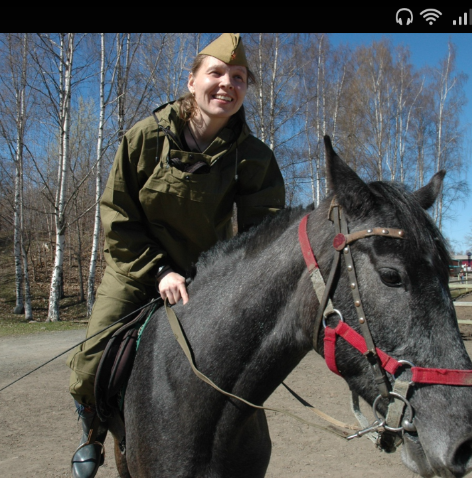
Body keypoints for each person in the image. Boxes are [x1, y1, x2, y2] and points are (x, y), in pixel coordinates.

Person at [65, 33, 285, 478]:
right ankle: (93, 437)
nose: (228, 84)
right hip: (137, 269)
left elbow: (264, 234)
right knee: (88, 363)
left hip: (205, 276)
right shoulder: (144, 138)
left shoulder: (254, 157)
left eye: (239, 77)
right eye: (217, 73)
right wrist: (159, 270)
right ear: (191, 82)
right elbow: (118, 216)